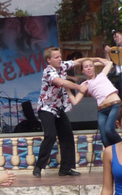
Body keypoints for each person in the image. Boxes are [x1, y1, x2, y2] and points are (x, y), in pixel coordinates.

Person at [33, 47, 87, 178]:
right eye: (56, 57)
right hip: (46, 108)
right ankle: (38, 167)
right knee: (50, 135)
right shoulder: (48, 71)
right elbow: (61, 82)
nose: (60, 59)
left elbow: (77, 62)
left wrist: (95, 60)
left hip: (58, 108)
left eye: (60, 56)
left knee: (67, 135)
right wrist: (79, 87)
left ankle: (65, 168)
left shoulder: (63, 66)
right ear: (49, 60)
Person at [77, 57, 122, 147]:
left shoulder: (102, 75)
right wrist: (66, 88)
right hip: (102, 110)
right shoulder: (84, 84)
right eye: (86, 67)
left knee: (109, 130)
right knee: (104, 139)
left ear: (94, 67)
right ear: (82, 71)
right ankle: (113, 158)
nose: (89, 68)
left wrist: (95, 59)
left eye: (91, 66)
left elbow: (109, 63)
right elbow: (75, 101)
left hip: (114, 104)